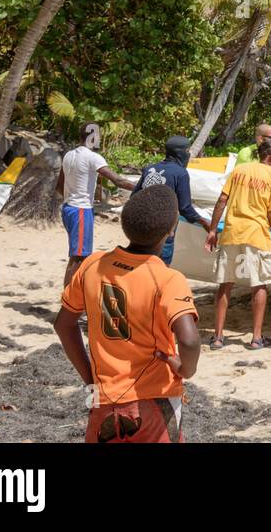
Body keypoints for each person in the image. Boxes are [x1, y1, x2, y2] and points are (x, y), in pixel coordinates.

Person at [54, 185, 200, 443]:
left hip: (105, 397)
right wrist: (185, 369)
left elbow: (63, 325)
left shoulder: (92, 264)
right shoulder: (168, 279)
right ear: (171, 231)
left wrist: (90, 378)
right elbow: (189, 341)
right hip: (155, 397)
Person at [204, 140, 271, 350]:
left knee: (225, 284)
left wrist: (212, 230)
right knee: (259, 284)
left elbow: (221, 201)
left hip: (231, 231)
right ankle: (256, 338)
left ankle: (218, 338)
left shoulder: (239, 170)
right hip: (256, 234)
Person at [57, 123, 137, 287]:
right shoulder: (93, 157)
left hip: (68, 208)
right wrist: (142, 187)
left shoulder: (69, 155)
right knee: (78, 258)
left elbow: (59, 186)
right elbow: (118, 180)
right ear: (93, 137)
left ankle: (76, 298)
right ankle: (69, 303)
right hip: (81, 210)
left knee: (81, 256)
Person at [132, 135, 211, 266]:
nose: (188, 154)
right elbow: (185, 208)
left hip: (143, 225)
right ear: (179, 153)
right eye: (187, 151)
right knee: (161, 266)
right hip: (164, 227)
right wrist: (204, 223)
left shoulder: (149, 169)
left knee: (141, 263)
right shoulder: (180, 173)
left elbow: (134, 197)